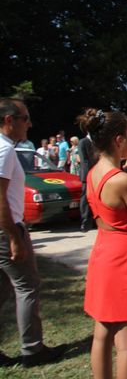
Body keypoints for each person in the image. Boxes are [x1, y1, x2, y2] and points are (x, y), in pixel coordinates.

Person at [79, 108, 127, 379]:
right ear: (118, 140)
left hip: (103, 249)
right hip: (123, 256)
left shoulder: (93, 172)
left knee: (102, 332)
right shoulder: (124, 180)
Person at [0, 98, 67, 368]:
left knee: (3, 288)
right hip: (7, 230)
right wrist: (15, 237)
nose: (30, 124)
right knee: (28, 286)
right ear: (9, 120)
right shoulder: (4, 151)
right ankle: (32, 349)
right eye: (25, 118)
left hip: (6, 229)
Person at [78, 129, 98, 232]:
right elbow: (84, 160)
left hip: (96, 173)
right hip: (87, 173)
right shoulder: (83, 142)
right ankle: (85, 220)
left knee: (95, 197)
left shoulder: (97, 143)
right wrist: (91, 173)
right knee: (85, 197)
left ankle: (95, 220)